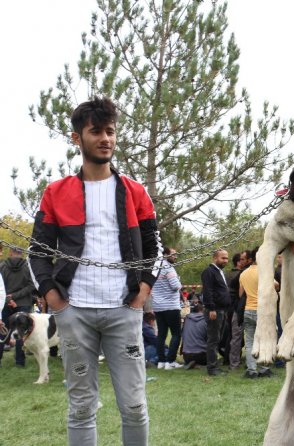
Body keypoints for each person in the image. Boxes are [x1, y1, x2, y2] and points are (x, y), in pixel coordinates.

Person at [29, 96, 160, 445]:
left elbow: (154, 249)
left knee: (134, 406)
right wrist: (55, 299)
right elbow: (38, 252)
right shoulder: (55, 193)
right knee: (81, 407)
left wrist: (143, 292)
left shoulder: (135, 192)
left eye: (111, 132)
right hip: (75, 314)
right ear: (77, 138)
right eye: (96, 131)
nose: (106, 138)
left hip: (124, 310)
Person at [238, 247, 272, 378]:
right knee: (264, 340)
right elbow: (275, 285)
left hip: (248, 310)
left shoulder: (243, 273)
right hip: (262, 310)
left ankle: (251, 370)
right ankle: (264, 368)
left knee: (250, 341)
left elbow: (241, 293)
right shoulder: (264, 271)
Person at [0, 247, 36, 367]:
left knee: (2, 331)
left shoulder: (2, 266)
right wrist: (16, 296)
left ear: (10, 253)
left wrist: (9, 297)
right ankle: (20, 361)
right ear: (21, 254)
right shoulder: (28, 267)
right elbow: (31, 286)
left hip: (5, 302)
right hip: (24, 303)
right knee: (21, 332)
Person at [151, 247, 183, 370]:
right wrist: (179, 281)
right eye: (173, 254)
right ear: (165, 255)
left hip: (158, 307)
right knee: (176, 334)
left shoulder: (155, 268)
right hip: (171, 306)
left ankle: (161, 361)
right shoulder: (169, 268)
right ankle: (170, 361)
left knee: (162, 334)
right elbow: (175, 286)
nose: (175, 257)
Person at [200, 249, 231, 376]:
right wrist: (211, 308)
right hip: (215, 310)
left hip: (222, 310)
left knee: (217, 339)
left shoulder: (219, 272)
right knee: (213, 340)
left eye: (227, 258)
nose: (226, 260)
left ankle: (215, 366)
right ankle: (212, 369)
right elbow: (208, 291)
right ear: (215, 258)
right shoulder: (209, 272)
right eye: (223, 258)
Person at [181, 301, 208, 369]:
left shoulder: (187, 320)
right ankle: (198, 365)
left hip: (186, 356)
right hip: (201, 355)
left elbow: (183, 337)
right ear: (202, 309)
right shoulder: (205, 320)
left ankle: (193, 364)